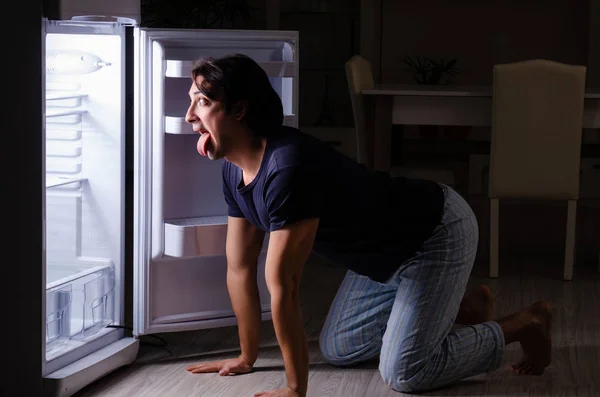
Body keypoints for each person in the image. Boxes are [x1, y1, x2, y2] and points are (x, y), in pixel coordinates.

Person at [183, 53, 552, 397]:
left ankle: (525, 323)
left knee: (407, 371)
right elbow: (239, 268)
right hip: (381, 261)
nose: (189, 115)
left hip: (434, 231)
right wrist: (246, 359)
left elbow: (285, 287)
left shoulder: (287, 168)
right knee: (340, 348)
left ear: (239, 109)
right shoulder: (234, 171)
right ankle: (464, 308)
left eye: (202, 101)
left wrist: (295, 389)